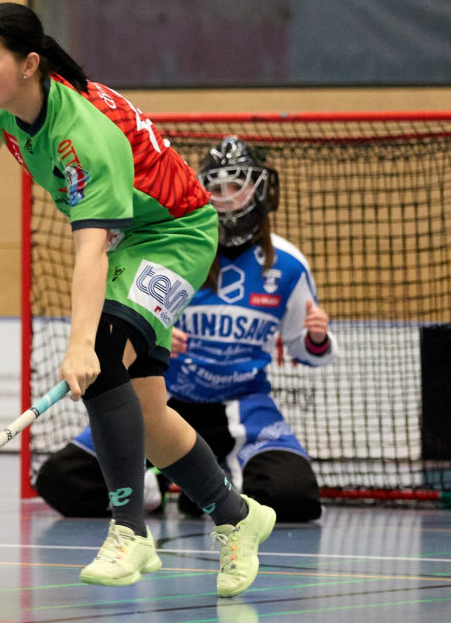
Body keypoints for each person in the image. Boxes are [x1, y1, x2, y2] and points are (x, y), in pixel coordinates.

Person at [0, 3, 276, 597]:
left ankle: (130, 531)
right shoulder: (8, 103)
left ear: (28, 65)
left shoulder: (84, 135)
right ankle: (236, 516)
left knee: (98, 353)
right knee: (148, 419)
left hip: (175, 235)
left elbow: (90, 254)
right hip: (131, 236)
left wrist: (79, 346)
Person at [36, 137, 336, 523]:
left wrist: (316, 338)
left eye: (236, 187)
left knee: (293, 497)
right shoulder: (176, 246)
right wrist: (151, 337)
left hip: (240, 404)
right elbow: (120, 320)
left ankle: (212, 484)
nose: (226, 199)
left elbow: (304, 349)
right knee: (62, 482)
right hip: (162, 400)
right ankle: (154, 483)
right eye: (216, 188)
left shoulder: (287, 263)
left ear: (259, 192)